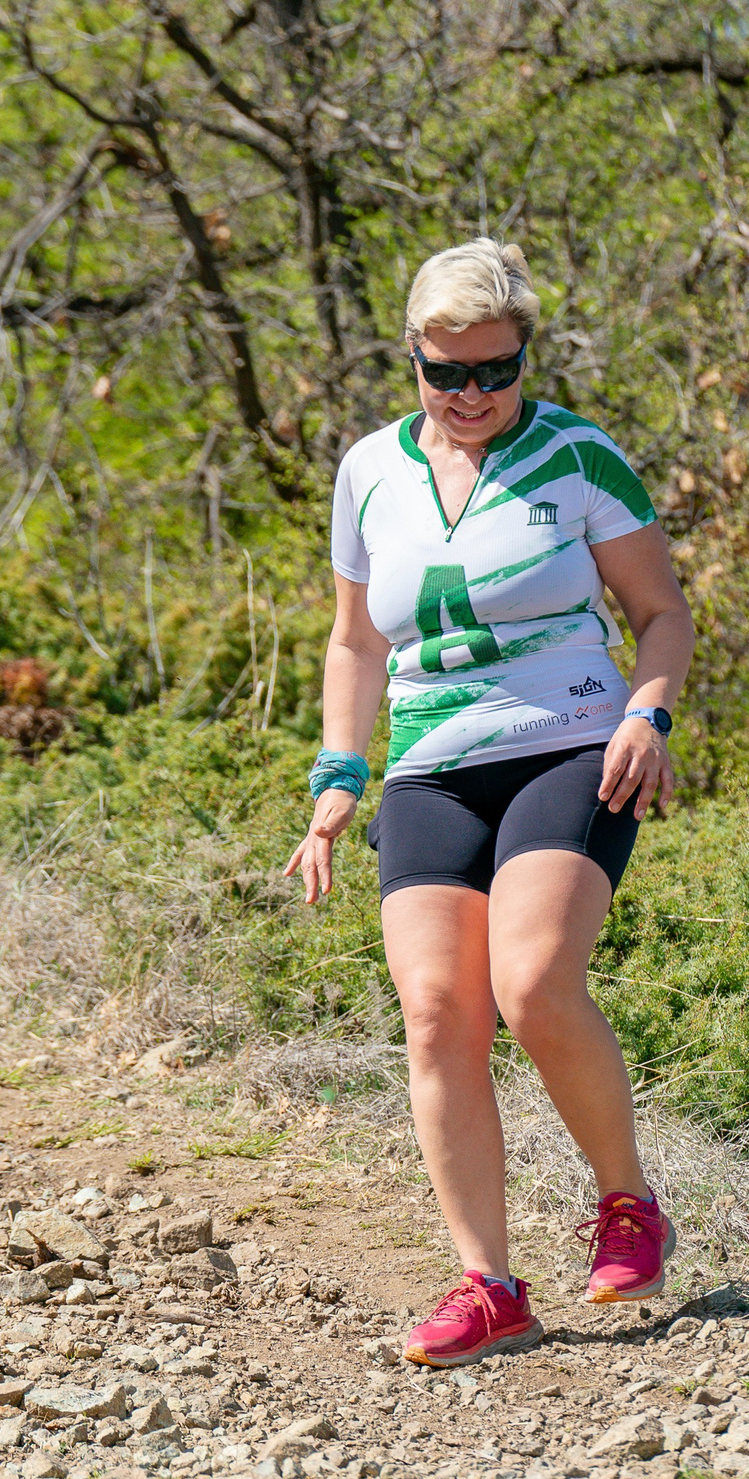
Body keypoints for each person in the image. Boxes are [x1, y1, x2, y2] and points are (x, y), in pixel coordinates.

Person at [282, 237, 694, 1368]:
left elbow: (661, 613)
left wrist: (645, 713)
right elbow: (356, 640)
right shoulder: (369, 471)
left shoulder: (578, 457)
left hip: (571, 741)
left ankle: (626, 1208)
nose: (470, 396)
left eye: (494, 372)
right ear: (409, 357)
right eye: (444, 372)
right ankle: (490, 1285)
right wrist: (335, 777)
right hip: (430, 764)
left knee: (529, 981)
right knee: (434, 1011)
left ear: (525, 358)